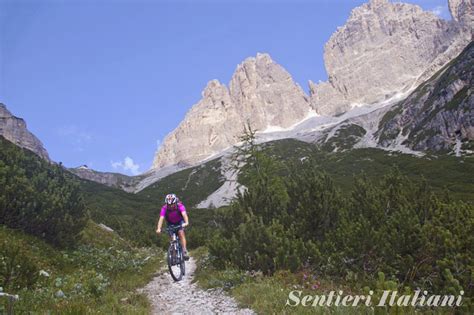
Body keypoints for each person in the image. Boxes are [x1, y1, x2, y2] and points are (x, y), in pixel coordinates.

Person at [156, 193, 190, 260]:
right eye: (169, 205)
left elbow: (184, 215)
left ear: (175, 202)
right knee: (171, 238)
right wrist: (158, 228)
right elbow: (161, 219)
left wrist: (186, 222)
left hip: (180, 222)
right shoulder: (164, 208)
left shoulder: (180, 206)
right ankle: (173, 254)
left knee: (181, 233)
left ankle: (184, 251)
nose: (171, 206)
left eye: (172, 204)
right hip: (170, 223)